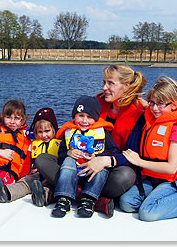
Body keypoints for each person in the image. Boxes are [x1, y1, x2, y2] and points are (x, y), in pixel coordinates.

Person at [35, 65, 147, 217]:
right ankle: (93, 199)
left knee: (126, 176)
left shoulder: (140, 114)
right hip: (79, 164)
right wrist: (69, 152)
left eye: (110, 83)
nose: (105, 88)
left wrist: (105, 160)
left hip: (110, 168)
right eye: (104, 83)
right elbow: (74, 131)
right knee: (42, 159)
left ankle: (70, 194)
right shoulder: (97, 104)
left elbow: (133, 156)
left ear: (127, 85)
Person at [119, 76, 177, 221]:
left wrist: (139, 162)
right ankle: (158, 198)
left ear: (174, 105)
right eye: (152, 103)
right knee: (126, 203)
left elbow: (171, 168)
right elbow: (143, 102)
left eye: (160, 104)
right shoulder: (152, 118)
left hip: (172, 179)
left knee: (147, 213)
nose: (155, 108)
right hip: (152, 178)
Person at [51, 95, 119, 218]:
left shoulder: (102, 132)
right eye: (80, 116)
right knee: (67, 161)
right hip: (73, 171)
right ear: (74, 116)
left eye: (89, 117)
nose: (84, 121)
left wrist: (98, 156)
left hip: (92, 171)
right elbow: (60, 155)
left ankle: (88, 200)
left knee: (102, 167)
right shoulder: (69, 133)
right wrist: (68, 153)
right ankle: (64, 199)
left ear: (96, 119)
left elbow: (114, 151)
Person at [0, 108, 61, 206]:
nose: (44, 135)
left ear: (54, 130)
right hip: (36, 174)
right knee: (25, 182)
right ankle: (6, 193)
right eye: (40, 132)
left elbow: (61, 161)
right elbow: (27, 162)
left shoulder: (59, 144)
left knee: (48, 186)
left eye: (47, 131)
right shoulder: (33, 145)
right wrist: (25, 175)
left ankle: (42, 196)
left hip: (51, 175)